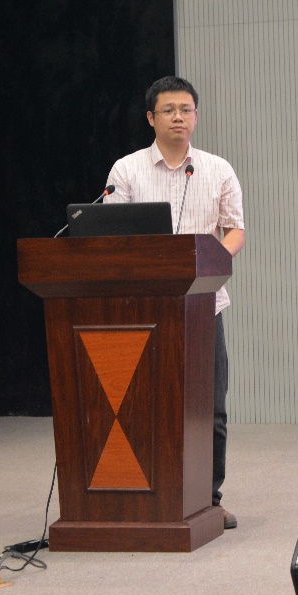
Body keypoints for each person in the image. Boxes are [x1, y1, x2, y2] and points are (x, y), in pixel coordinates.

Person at [105, 76, 245, 530]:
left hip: (204, 306)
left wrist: (212, 260)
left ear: (196, 117)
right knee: (144, 405)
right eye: (169, 110)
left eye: (186, 110)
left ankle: (209, 500)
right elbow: (112, 234)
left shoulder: (217, 169)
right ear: (151, 118)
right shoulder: (126, 170)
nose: (178, 117)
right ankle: (151, 497)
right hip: (145, 309)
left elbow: (235, 229)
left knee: (210, 409)